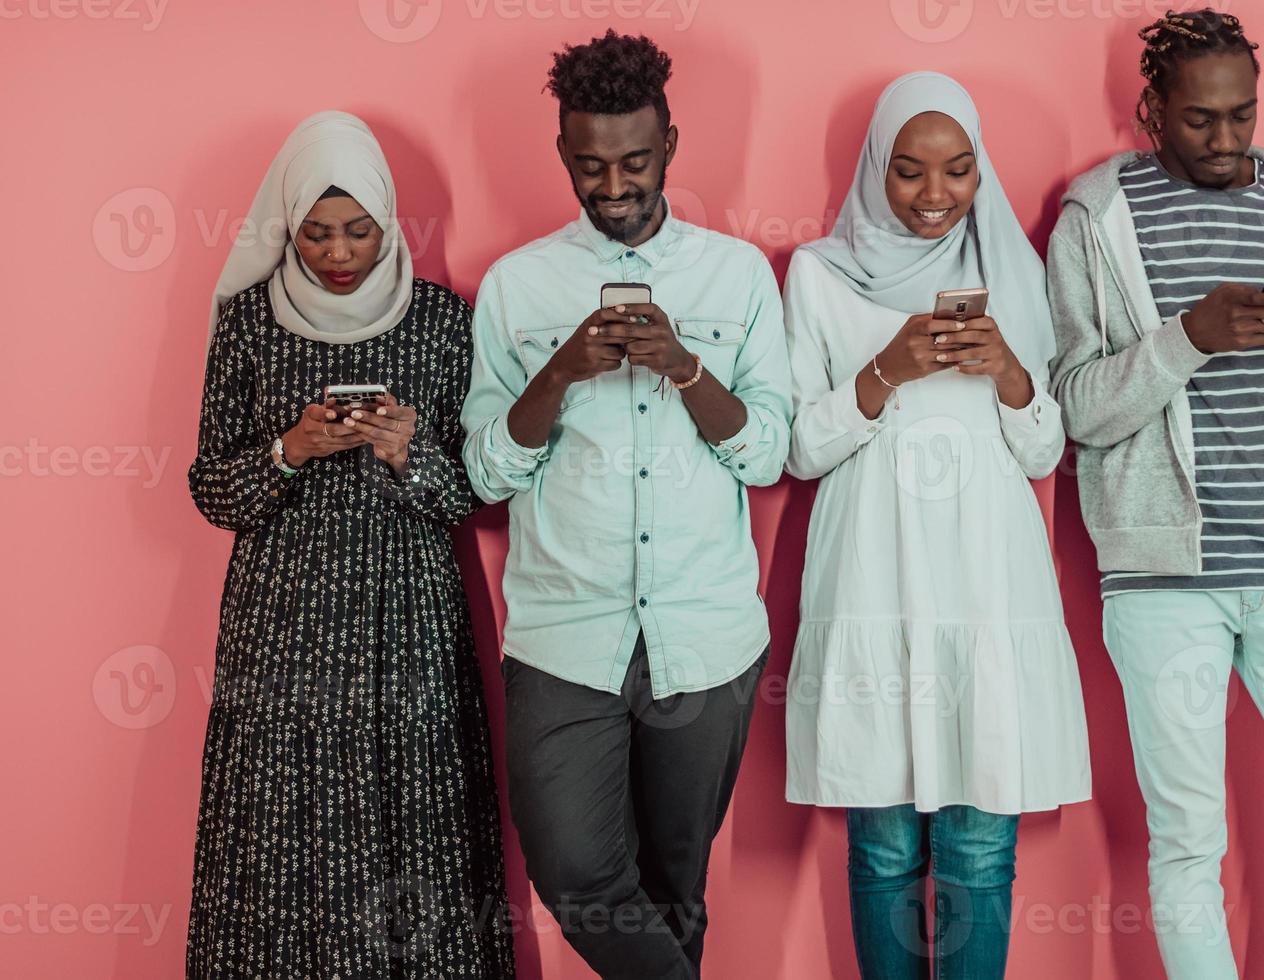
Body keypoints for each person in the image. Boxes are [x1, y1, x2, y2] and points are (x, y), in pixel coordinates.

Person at [1046, 10, 1264, 978]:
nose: (1229, 141)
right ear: (1151, 108)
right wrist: (1187, 335)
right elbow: (1076, 405)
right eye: (1201, 120)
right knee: (1189, 845)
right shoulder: (1096, 218)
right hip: (1161, 582)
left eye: (1243, 116)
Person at [459, 31, 792, 980]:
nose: (613, 185)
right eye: (590, 164)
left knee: (675, 881)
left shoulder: (736, 278)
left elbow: (768, 455)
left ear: (671, 145)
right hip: (566, 635)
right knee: (575, 870)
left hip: (705, 631)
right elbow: (485, 472)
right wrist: (559, 371)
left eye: (635, 161)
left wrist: (686, 367)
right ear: (563, 153)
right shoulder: (518, 287)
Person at [186, 111, 515, 978]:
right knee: (279, 820)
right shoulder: (251, 321)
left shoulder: (444, 322)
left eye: (358, 230)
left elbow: (472, 492)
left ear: (388, 220)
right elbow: (209, 490)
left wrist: (409, 451)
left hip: (407, 608)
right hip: (280, 616)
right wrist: (288, 450)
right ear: (288, 225)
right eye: (317, 231)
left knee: (418, 811)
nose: (338, 252)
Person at [782, 72, 1092, 979]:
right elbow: (797, 448)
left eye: (958, 170)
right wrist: (885, 370)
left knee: (980, 854)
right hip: (873, 577)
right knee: (882, 853)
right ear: (876, 166)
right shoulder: (819, 274)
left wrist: (1009, 374)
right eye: (909, 171)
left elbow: (1042, 453)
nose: (934, 195)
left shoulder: (1012, 271)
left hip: (986, 582)